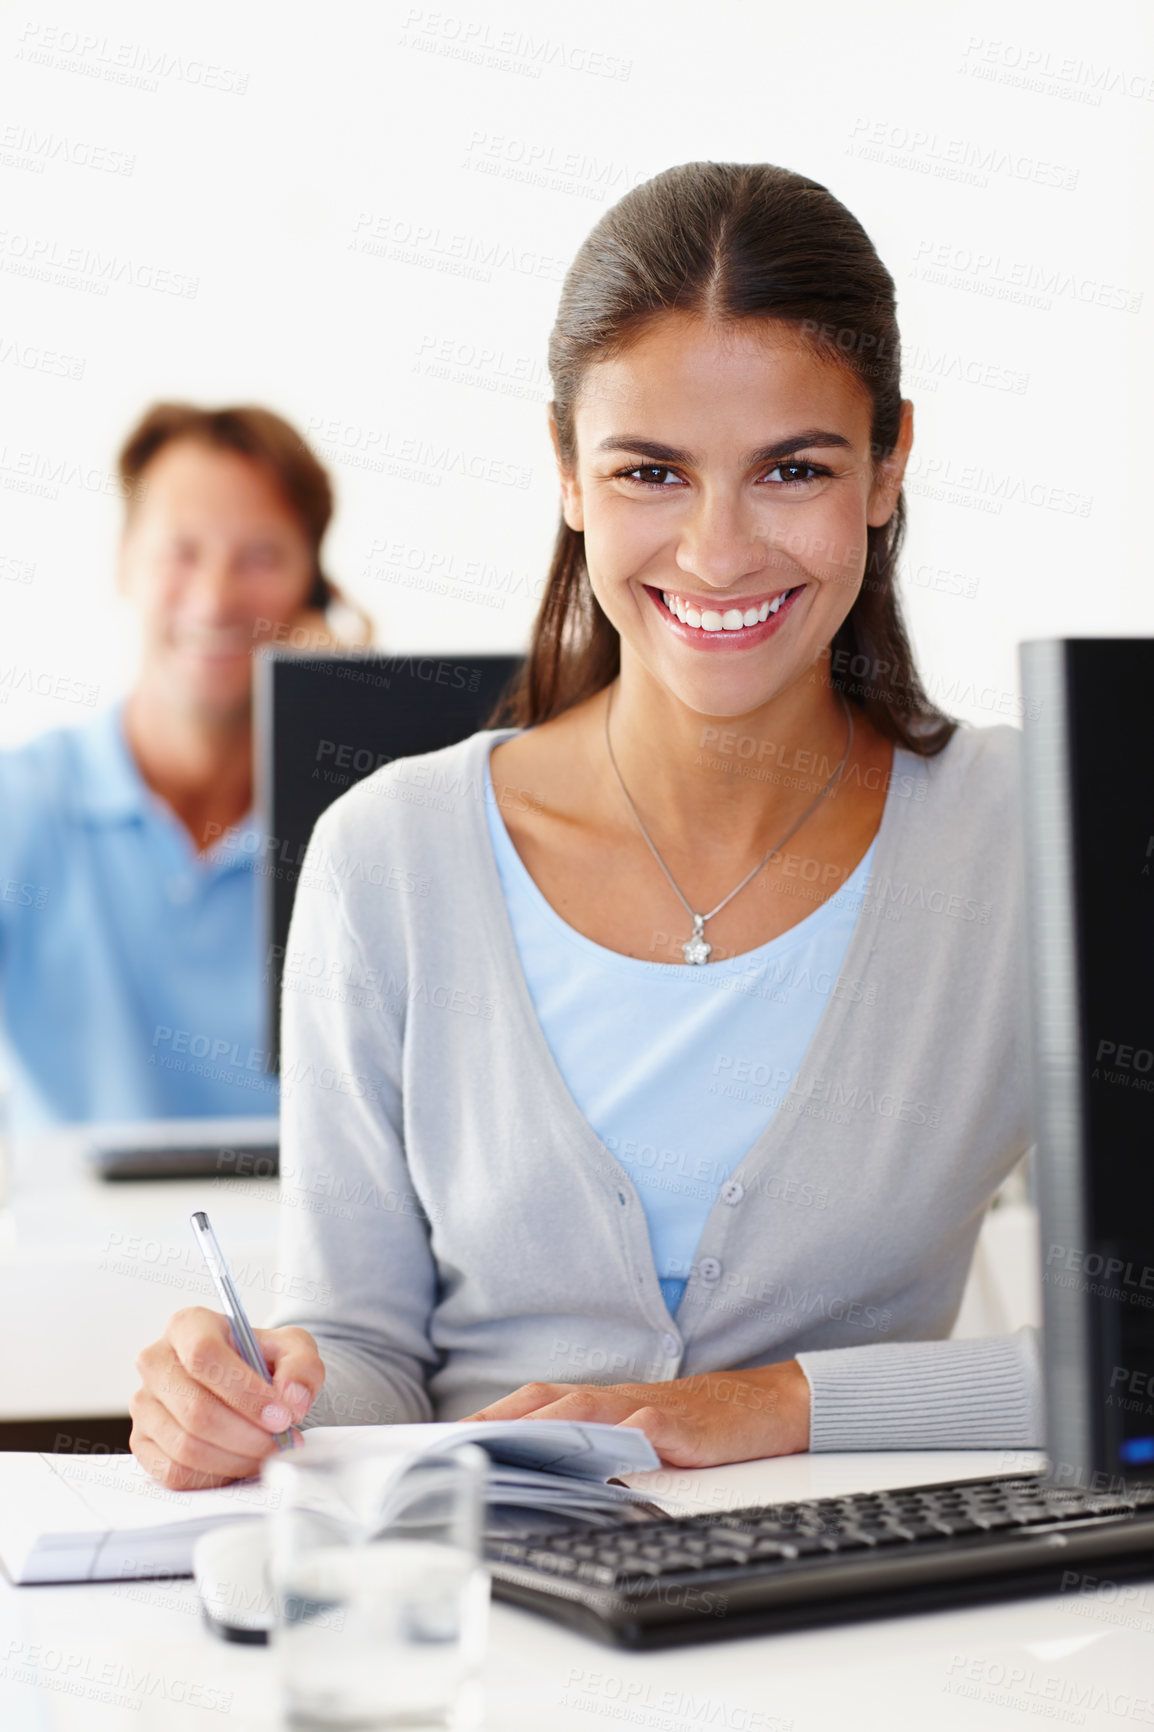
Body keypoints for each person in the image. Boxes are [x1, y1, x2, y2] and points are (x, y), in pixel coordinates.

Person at [131, 163, 1036, 1491]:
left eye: (792, 469)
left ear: (888, 465)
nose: (719, 552)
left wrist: (765, 1406)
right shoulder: (390, 859)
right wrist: (261, 1398)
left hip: (856, 1640)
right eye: (650, 472)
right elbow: (365, 1348)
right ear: (566, 470)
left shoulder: (1029, 841)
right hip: (486, 1641)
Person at [0, 403, 370, 1131]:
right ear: (123, 563)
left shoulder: (363, 815)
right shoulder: (23, 802)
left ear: (314, 588)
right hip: (73, 1239)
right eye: (181, 551)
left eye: (260, 556)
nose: (214, 598)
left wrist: (347, 737)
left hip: (298, 1237)